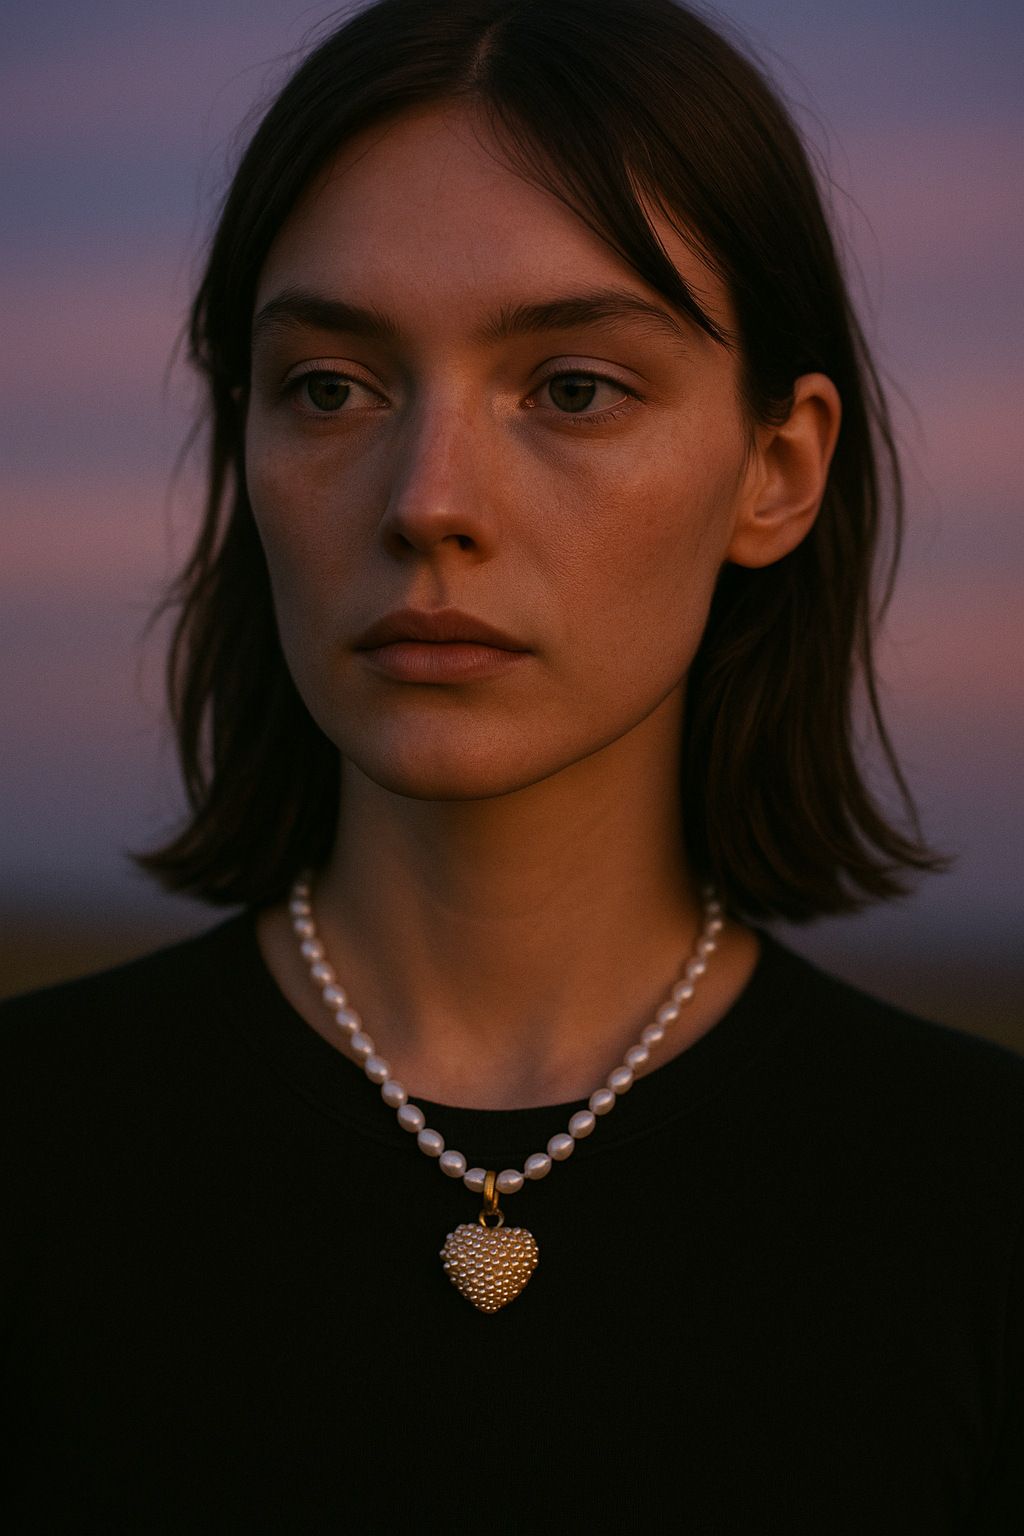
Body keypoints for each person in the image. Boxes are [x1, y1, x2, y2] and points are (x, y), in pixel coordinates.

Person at [1, 0, 1021, 1529]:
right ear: (246, 446)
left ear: (776, 469)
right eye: (331, 386)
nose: (428, 501)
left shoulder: (983, 1206)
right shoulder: (31, 1153)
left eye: (573, 387)